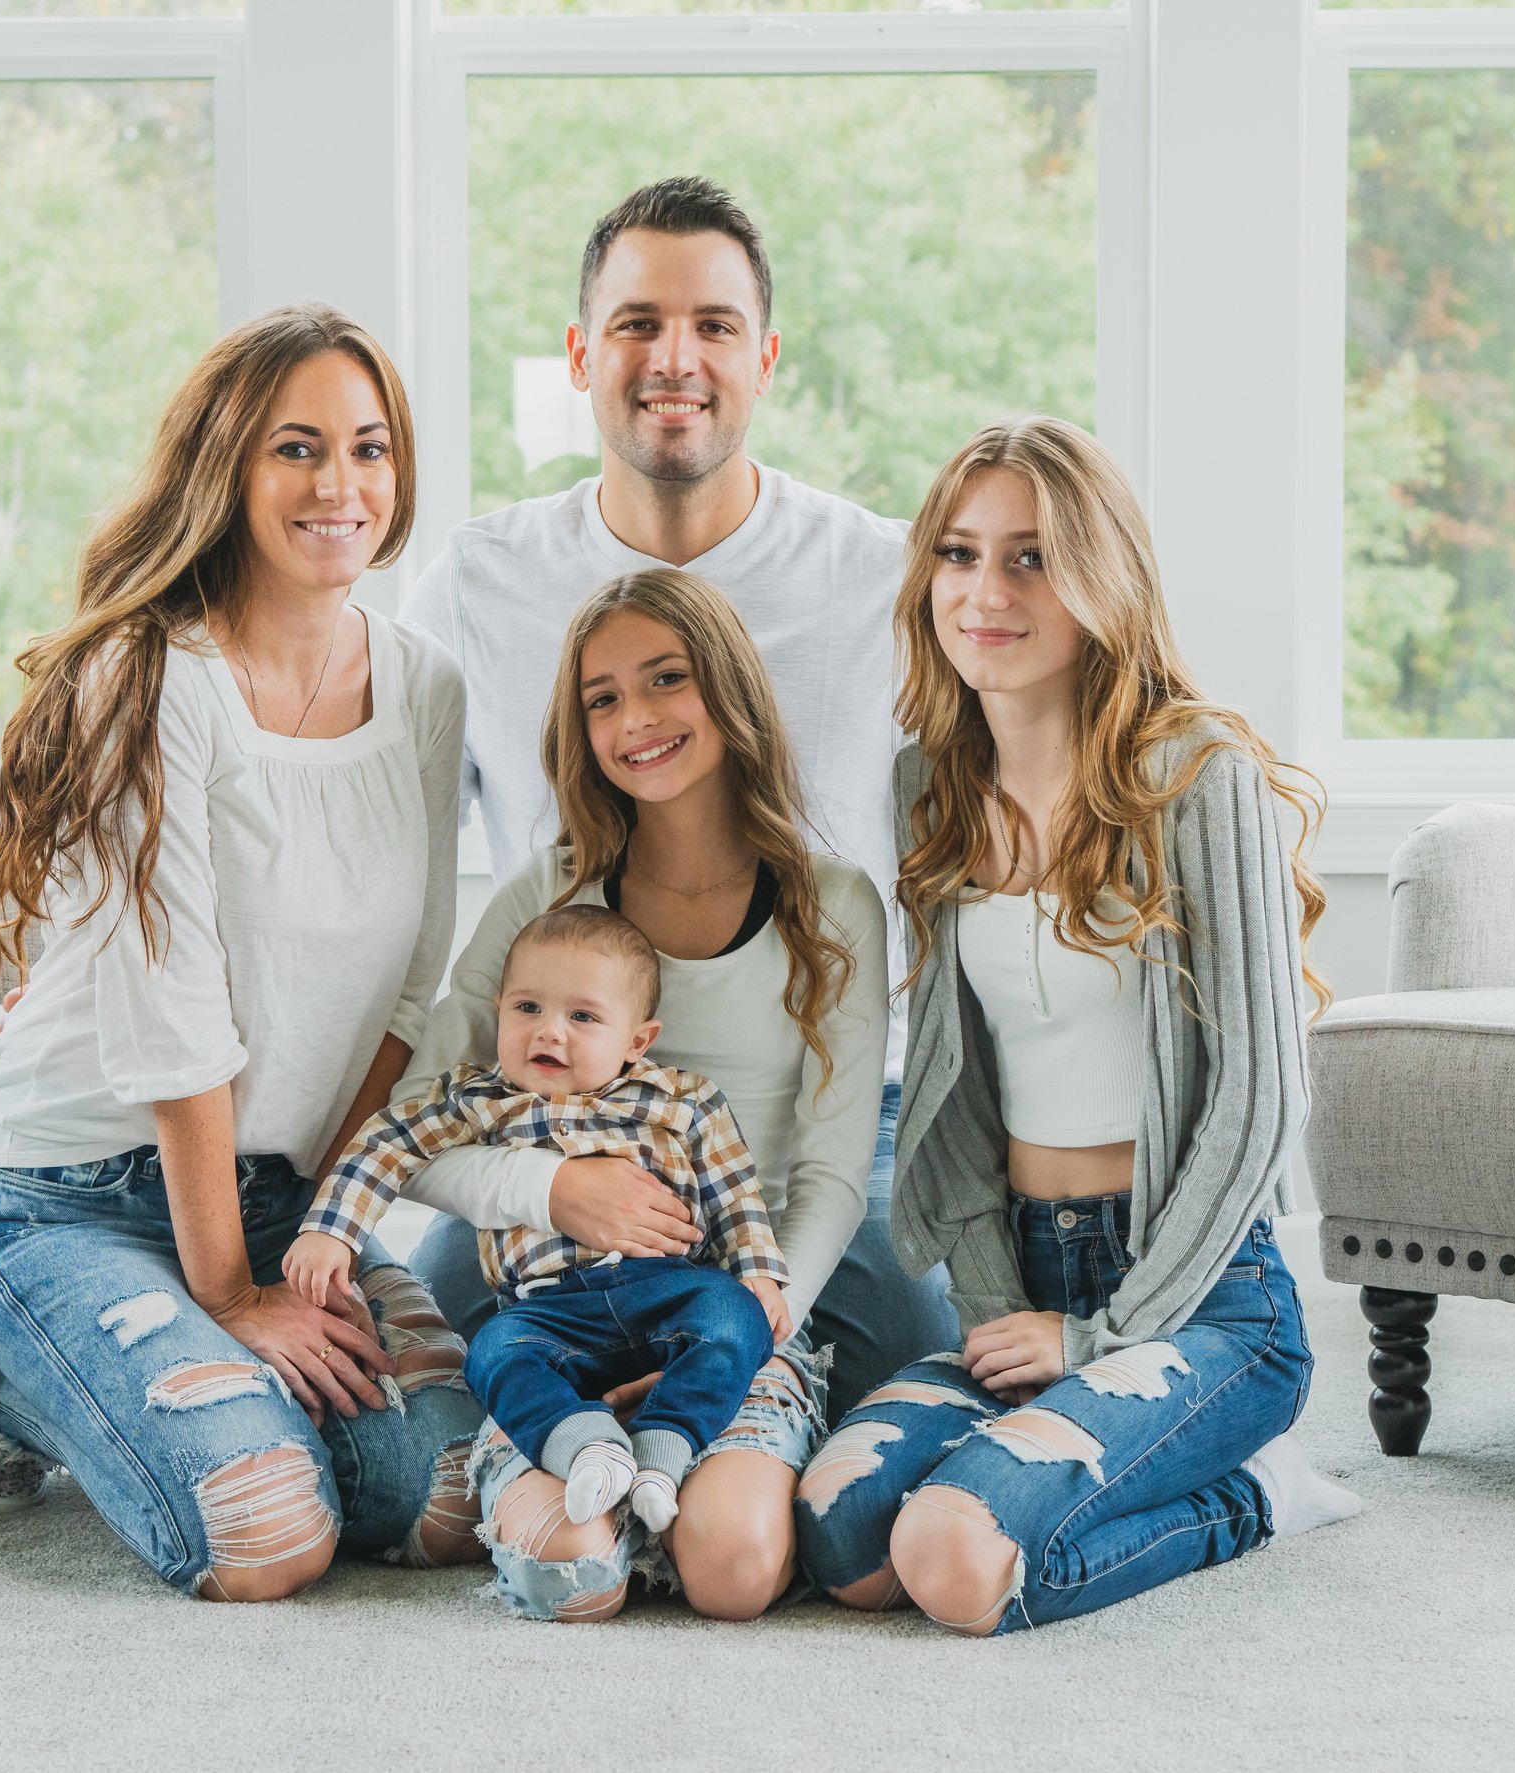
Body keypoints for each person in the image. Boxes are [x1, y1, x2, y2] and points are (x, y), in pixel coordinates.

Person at [0, 303, 486, 1600]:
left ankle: (111, 1367)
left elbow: (409, 988)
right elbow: (171, 1016)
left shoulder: (425, 688)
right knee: (264, 1530)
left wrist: (326, 1232)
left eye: (369, 448)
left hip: (282, 1188)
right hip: (68, 1188)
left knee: (444, 1502)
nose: (340, 485)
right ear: (223, 469)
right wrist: (232, 1299)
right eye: (296, 449)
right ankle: (30, 1378)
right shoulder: (146, 677)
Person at [793, 416, 1363, 1636]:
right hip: (1026, 1265)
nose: (982, 592)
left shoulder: (1197, 777)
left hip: (1203, 1298)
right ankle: (1094, 1459)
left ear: (1100, 577)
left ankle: (1251, 1495)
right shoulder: (930, 789)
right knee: (842, 1534)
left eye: (1030, 558)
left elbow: (1263, 1097)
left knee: (952, 1561)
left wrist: (1110, 1332)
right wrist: (1005, 1299)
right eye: (957, 554)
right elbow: (959, 1089)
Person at [401, 176, 954, 1412]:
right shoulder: (481, 581)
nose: (674, 358)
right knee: (411, 1399)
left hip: (820, 1108)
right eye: (638, 322)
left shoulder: (883, 578)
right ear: (580, 353)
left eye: (712, 325)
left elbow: (992, 814)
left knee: (917, 1399)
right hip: (560, 1105)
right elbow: (381, 859)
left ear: (762, 357)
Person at [401, 567, 889, 1623]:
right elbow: (412, 1122)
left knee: (732, 1573)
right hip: (556, 1308)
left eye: (666, 679)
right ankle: (579, 1472)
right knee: (571, 1573)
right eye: (603, 698)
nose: (637, 720)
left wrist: (755, 1323)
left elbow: (832, 1171)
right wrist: (554, 1190)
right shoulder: (548, 892)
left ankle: (688, 1468)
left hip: (735, 1305)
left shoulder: (834, 903)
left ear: (728, 690)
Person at [284, 904, 789, 1540]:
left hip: (667, 1290)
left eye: (582, 1017)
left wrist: (760, 1275)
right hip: (549, 1309)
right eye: (527, 1009)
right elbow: (385, 1141)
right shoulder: (478, 1099)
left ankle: (667, 1445)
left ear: (637, 1040)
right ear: (498, 1010)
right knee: (492, 1354)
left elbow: (736, 1197)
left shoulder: (682, 1101)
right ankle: (586, 1448)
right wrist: (331, 1229)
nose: (549, 1033)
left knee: (736, 1318)